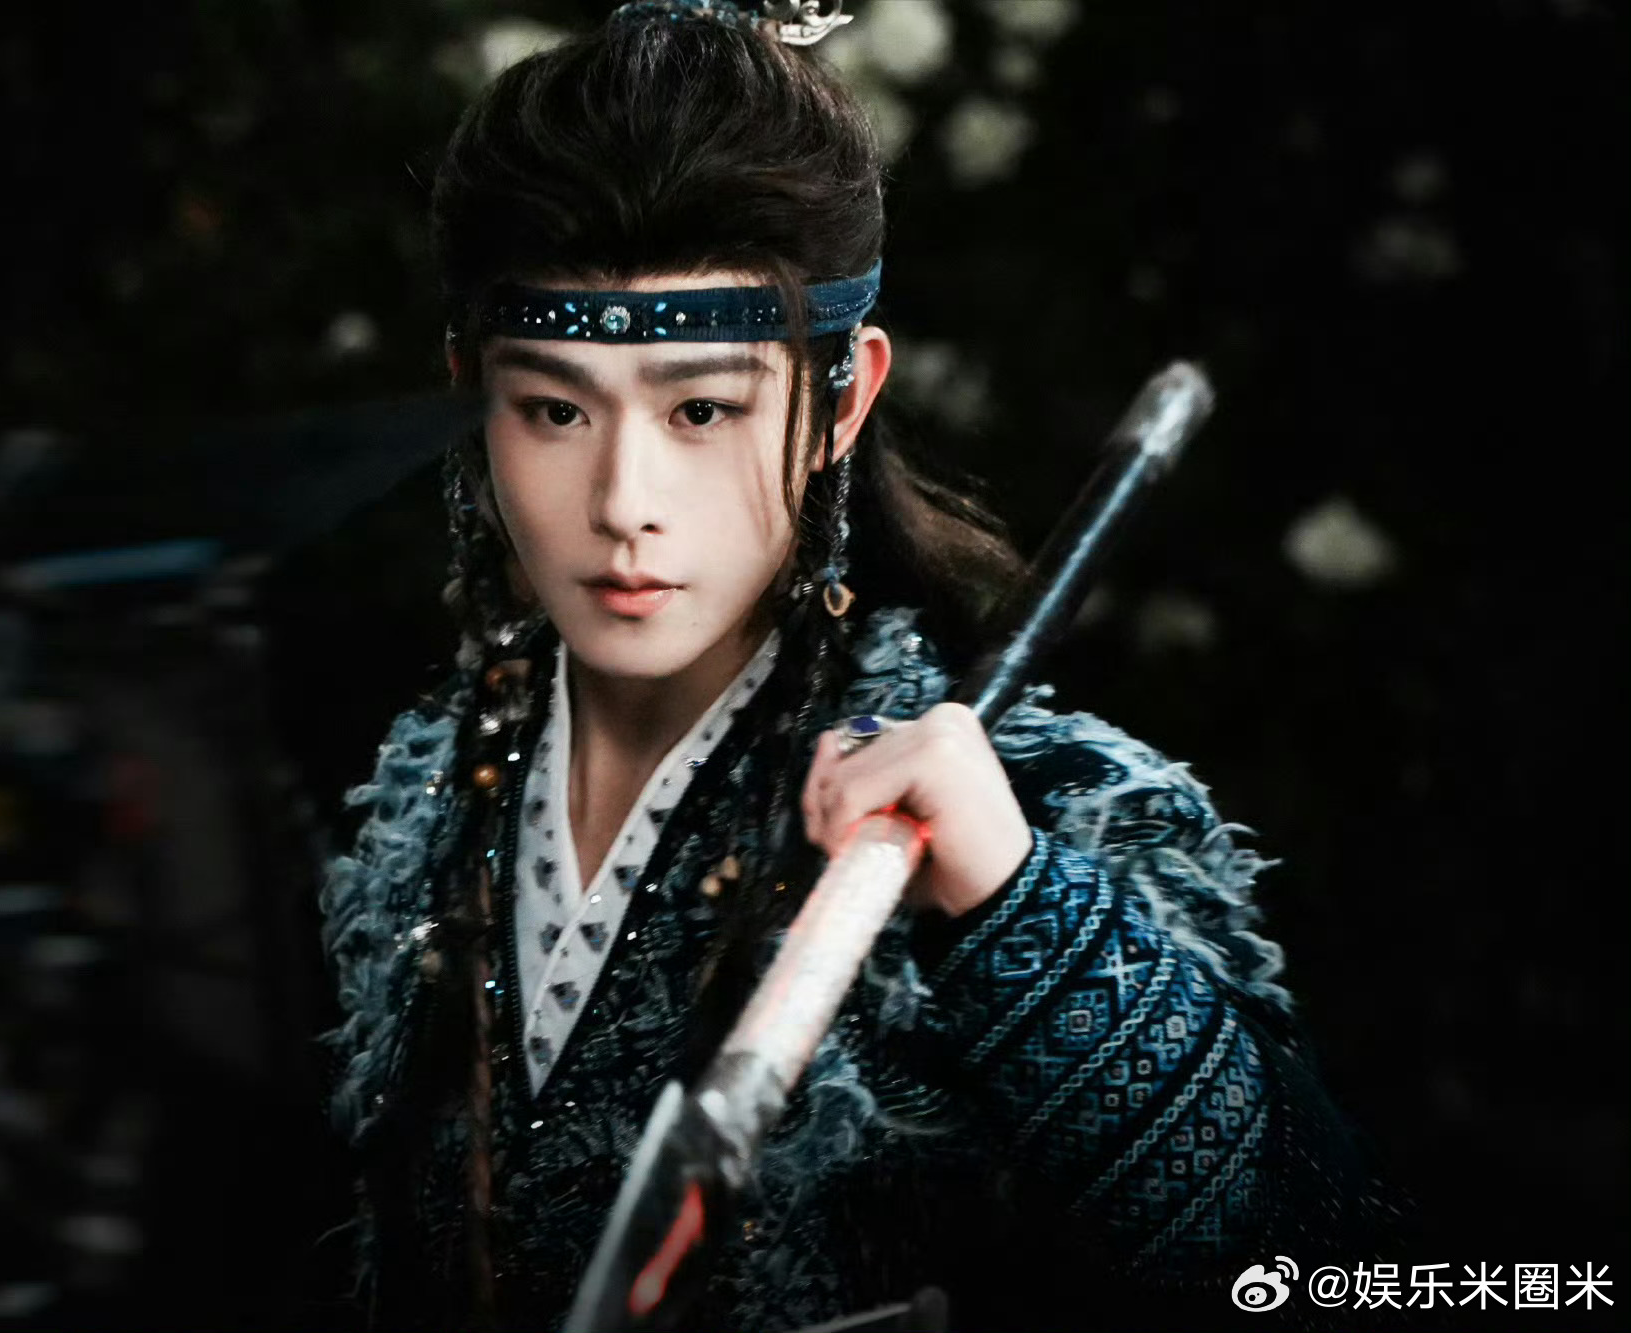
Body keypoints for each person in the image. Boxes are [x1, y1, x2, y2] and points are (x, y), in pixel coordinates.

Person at [319, 3, 1382, 1329]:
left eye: (702, 409)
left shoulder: (1039, 805)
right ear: (469, 399)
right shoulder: (430, 799)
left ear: (842, 397)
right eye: (554, 409)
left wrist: (1017, 907)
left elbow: (1321, 1265)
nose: (624, 502)